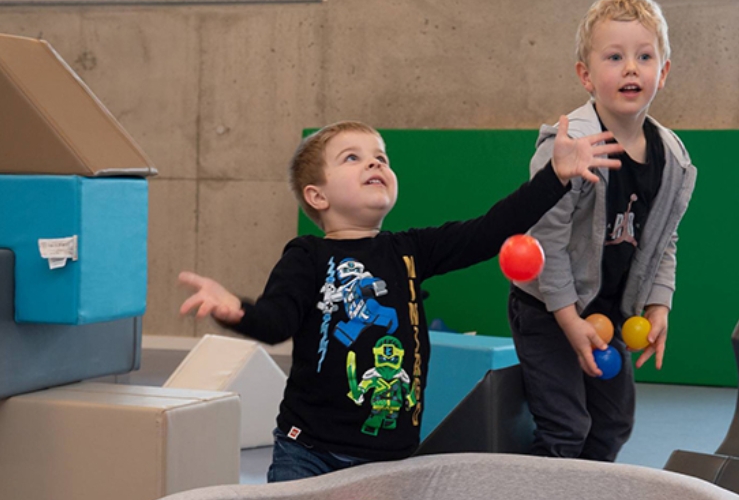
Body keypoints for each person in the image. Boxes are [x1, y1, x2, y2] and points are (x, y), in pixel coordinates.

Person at [178, 117, 623, 481]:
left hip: (390, 458)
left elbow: (489, 231)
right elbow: (276, 321)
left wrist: (554, 178)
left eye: (381, 157)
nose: (374, 162)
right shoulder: (307, 256)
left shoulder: (408, 250)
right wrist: (237, 311)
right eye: (352, 158)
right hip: (311, 452)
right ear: (317, 195)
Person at [509, 0, 698, 462]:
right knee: (565, 426)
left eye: (644, 56)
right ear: (586, 76)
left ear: (663, 72)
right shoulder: (569, 147)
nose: (631, 68)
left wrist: (659, 304)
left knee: (614, 423)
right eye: (614, 57)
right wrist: (569, 320)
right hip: (548, 309)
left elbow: (663, 239)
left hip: (608, 312)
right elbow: (546, 242)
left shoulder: (671, 157)